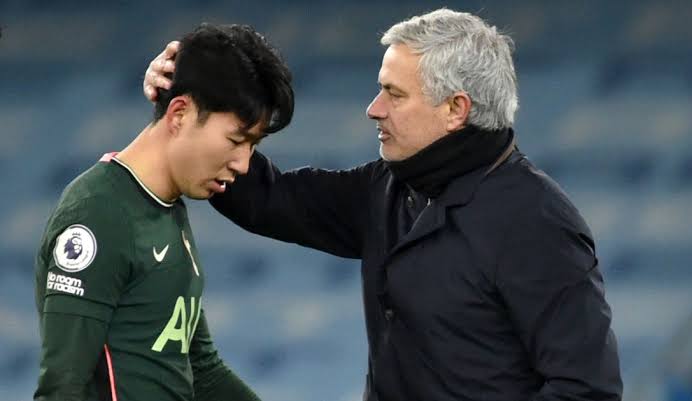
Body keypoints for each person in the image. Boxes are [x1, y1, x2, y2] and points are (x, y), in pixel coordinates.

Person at [144, 8, 622, 401]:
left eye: (394, 93)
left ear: (456, 109)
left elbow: (587, 390)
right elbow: (266, 198)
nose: (374, 108)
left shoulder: (536, 222)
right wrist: (183, 95)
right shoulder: (389, 187)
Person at [35, 23, 294, 401]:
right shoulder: (98, 214)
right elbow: (61, 388)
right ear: (179, 114)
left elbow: (200, 370)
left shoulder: (164, 207)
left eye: (253, 146)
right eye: (237, 140)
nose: (243, 163)